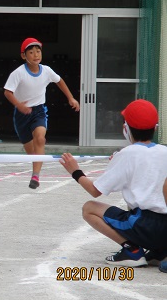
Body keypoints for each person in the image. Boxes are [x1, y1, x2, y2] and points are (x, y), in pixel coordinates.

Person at [60, 99, 167, 269]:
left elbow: (95, 190)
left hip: (143, 224)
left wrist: (75, 171)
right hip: (165, 228)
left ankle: (131, 250)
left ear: (127, 128)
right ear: (155, 128)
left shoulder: (127, 154)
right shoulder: (164, 151)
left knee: (89, 208)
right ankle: (160, 251)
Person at [4, 37, 80, 189]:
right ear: (23, 56)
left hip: (39, 111)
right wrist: (19, 105)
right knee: (31, 151)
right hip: (21, 114)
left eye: (38, 51)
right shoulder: (18, 73)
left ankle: (36, 176)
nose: (35, 55)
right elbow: (7, 92)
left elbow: (59, 81)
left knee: (39, 139)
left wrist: (71, 98)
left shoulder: (46, 70)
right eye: (31, 52)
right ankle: (35, 167)